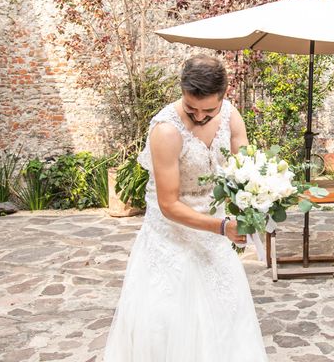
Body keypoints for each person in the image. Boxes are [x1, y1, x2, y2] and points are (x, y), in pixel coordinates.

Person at [104, 54, 268, 361]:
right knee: (169, 321)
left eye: (209, 109)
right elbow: (168, 204)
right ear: (182, 91)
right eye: (192, 108)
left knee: (225, 313)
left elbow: (245, 171)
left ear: (224, 95)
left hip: (217, 234)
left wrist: (256, 202)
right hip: (171, 238)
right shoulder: (166, 130)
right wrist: (223, 227)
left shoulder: (231, 117)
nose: (201, 117)